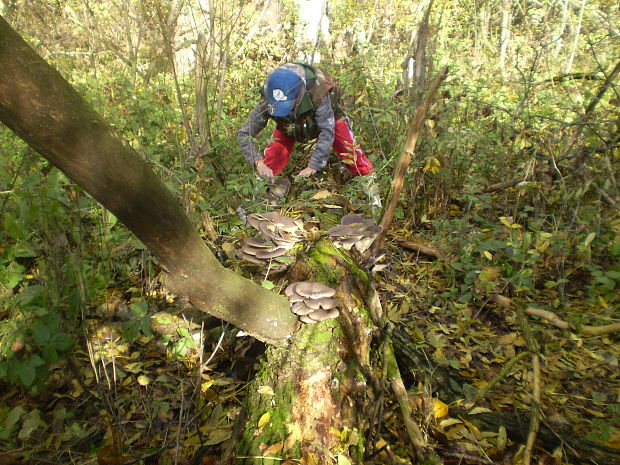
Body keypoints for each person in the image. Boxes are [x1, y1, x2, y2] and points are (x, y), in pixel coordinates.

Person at [237, 62, 380, 206]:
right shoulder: (267, 99)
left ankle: (375, 202)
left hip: (330, 120)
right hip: (288, 124)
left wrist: (313, 166)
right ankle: (259, 202)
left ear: (299, 94)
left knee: (352, 153)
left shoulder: (318, 92)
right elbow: (245, 132)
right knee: (274, 156)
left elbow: (327, 131)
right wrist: (257, 161)